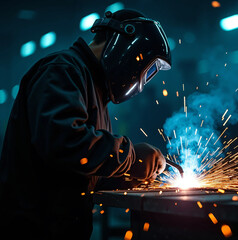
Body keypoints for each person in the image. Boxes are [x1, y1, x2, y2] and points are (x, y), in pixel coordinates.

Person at [0, 9, 171, 239]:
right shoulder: (62, 70)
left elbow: (84, 169)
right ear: (126, 49)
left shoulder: (95, 90)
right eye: (145, 68)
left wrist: (132, 174)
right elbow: (64, 144)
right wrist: (131, 157)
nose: (141, 77)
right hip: (32, 228)